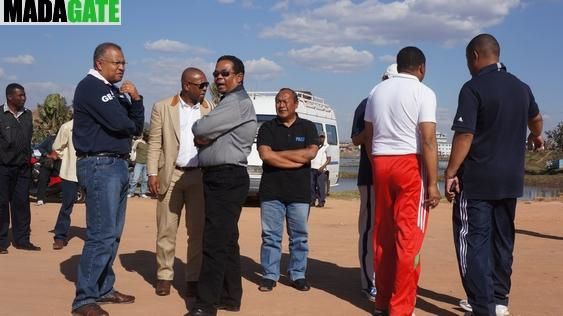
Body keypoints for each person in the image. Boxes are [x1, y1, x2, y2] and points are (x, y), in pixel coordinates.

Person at [444, 34, 544, 316]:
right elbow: (536, 120)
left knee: (472, 241)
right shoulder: (521, 87)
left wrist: (450, 172)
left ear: (475, 56)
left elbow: (465, 134)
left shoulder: (473, 88)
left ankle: (483, 306)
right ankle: (499, 300)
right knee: (502, 240)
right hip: (510, 180)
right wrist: (536, 136)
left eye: (467, 60)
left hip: (477, 181)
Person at [364, 47, 440, 316]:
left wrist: (377, 166)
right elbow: (429, 139)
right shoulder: (424, 92)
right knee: (409, 239)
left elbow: (369, 137)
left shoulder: (376, 91)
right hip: (410, 163)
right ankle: (401, 307)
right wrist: (432, 183)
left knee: (383, 235)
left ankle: (382, 302)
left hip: (382, 162)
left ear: (397, 65)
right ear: (422, 68)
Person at [71, 42, 144, 316]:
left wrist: (136, 100)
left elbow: (135, 127)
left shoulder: (113, 92)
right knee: (101, 234)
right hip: (100, 163)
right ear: (100, 63)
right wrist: (128, 118)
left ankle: (103, 288)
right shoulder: (90, 87)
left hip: (116, 164)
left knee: (112, 235)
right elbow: (121, 124)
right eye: (117, 62)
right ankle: (84, 298)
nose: (122, 67)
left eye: (124, 62)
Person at [188, 55, 257, 316]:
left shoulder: (236, 103)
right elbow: (206, 134)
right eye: (216, 73)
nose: (218, 78)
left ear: (239, 77)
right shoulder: (227, 102)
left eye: (225, 73)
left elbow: (201, 128)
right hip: (221, 176)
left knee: (215, 241)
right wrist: (206, 135)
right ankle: (230, 296)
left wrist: (203, 132)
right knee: (226, 239)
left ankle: (205, 306)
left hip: (226, 177)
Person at [147, 67, 213, 297]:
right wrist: (152, 173)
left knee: (197, 231)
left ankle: (193, 277)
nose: (206, 88)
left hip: (199, 176)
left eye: (206, 84)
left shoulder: (209, 109)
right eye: (201, 85)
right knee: (166, 228)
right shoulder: (163, 107)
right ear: (187, 85)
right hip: (171, 175)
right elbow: (154, 142)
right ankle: (164, 276)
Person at [256, 88, 319, 293]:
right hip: (271, 191)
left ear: (295, 104)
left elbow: (310, 154)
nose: (281, 105)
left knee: (299, 236)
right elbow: (266, 156)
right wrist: (295, 160)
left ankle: (297, 274)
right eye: (277, 101)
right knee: (271, 236)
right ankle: (269, 275)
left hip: (299, 192)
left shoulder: (308, 127)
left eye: (285, 101)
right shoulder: (267, 127)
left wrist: (280, 156)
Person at [351, 63, 398, 302]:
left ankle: (390, 279)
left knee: (395, 232)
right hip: (371, 178)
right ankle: (369, 282)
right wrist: (370, 133)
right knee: (370, 230)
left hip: (398, 179)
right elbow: (356, 138)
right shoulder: (367, 103)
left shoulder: (404, 102)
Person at [0, 83, 41, 254]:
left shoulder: (27, 115)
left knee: (22, 204)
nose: (24, 98)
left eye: (24, 95)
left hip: (23, 168)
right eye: (20, 95)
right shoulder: (1, 115)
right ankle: (1, 242)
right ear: (10, 97)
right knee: (1, 205)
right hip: (3, 168)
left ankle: (22, 240)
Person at [51, 119, 79, 250]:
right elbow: (57, 148)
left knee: (94, 207)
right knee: (67, 205)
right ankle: (60, 237)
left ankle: (94, 238)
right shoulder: (68, 127)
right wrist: (68, 158)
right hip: (70, 172)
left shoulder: (95, 124)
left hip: (91, 173)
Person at [35, 133, 59, 205]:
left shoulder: (66, 138)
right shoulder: (50, 139)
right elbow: (40, 147)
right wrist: (48, 155)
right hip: (48, 162)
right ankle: (40, 199)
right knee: (43, 178)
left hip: (60, 161)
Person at [309, 132, 330, 207]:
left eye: (323, 137)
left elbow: (329, 159)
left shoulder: (327, 147)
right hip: (312, 168)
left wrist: (322, 167)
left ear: (325, 138)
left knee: (320, 186)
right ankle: (312, 201)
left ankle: (321, 202)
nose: (321, 138)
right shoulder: (315, 146)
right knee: (312, 185)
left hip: (321, 170)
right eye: (320, 137)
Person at [128, 132, 150, 198]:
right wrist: (133, 159)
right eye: (146, 136)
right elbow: (133, 150)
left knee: (145, 179)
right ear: (144, 136)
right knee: (135, 178)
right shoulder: (138, 142)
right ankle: (131, 192)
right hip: (138, 163)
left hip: (147, 163)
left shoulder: (150, 143)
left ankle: (142, 193)